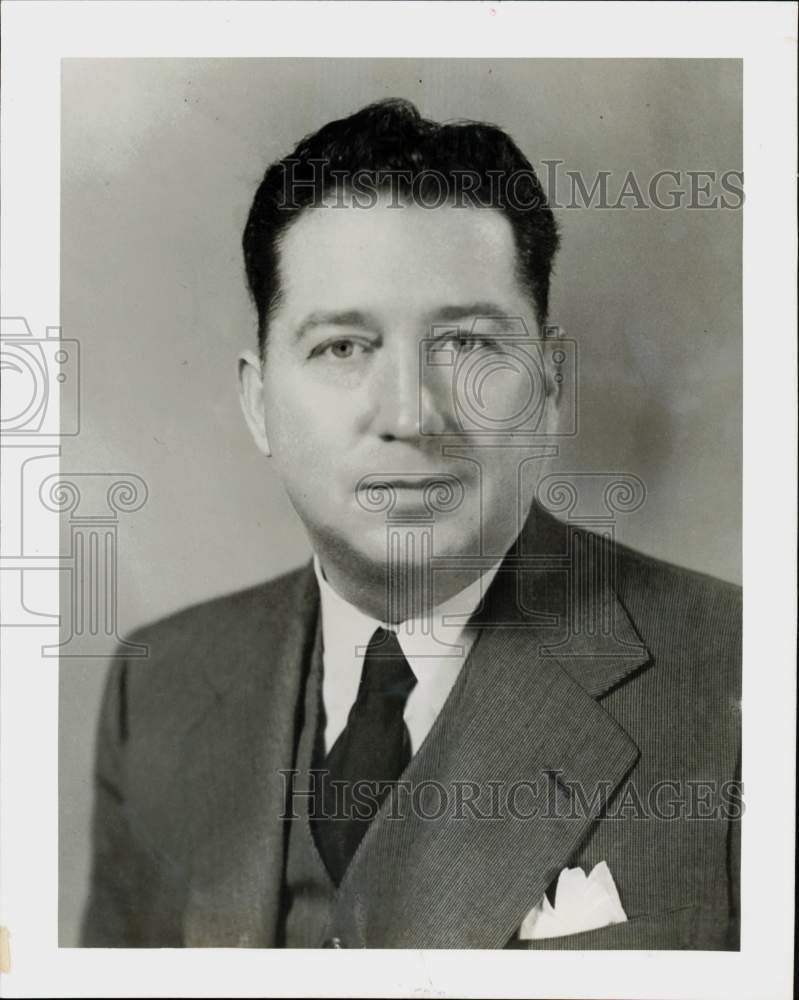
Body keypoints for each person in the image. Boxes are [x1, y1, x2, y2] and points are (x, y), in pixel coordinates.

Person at [81, 99, 741, 949]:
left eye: (466, 344)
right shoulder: (158, 687)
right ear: (257, 403)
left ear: (549, 385)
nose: (410, 414)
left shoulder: (743, 677)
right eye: (342, 348)